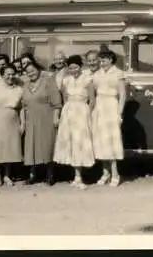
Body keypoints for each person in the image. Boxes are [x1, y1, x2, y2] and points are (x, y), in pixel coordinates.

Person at [53, 55, 95, 189]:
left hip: (82, 112)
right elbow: (65, 99)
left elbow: (92, 101)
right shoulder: (65, 81)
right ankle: (75, 176)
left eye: (75, 67)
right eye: (70, 68)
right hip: (69, 113)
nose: (73, 70)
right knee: (70, 142)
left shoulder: (88, 79)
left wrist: (88, 113)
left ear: (80, 66)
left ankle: (79, 176)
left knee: (80, 142)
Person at [22, 60, 62, 185]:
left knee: (47, 145)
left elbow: (57, 103)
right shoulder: (26, 84)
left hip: (46, 117)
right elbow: (24, 104)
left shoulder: (48, 82)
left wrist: (56, 118)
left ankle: (50, 175)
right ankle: (33, 175)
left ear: (39, 70)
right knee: (31, 146)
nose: (31, 73)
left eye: (33, 70)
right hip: (31, 119)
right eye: (28, 72)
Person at [91, 50, 126, 187]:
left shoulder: (118, 73)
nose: (102, 62)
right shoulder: (97, 74)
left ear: (111, 59)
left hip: (112, 107)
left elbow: (122, 95)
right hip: (99, 108)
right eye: (100, 60)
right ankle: (105, 173)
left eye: (104, 59)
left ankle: (115, 174)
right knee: (100, 141)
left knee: (111, 140)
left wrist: (119, 113)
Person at [0, 64, 25, 186]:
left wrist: (22, 123)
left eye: (13, 73)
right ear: (2, 75)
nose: (11, 76)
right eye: (8, 74)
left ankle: (7, 175)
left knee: (11, 148)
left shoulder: (19, 89)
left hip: (13, 119)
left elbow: (22, 108)